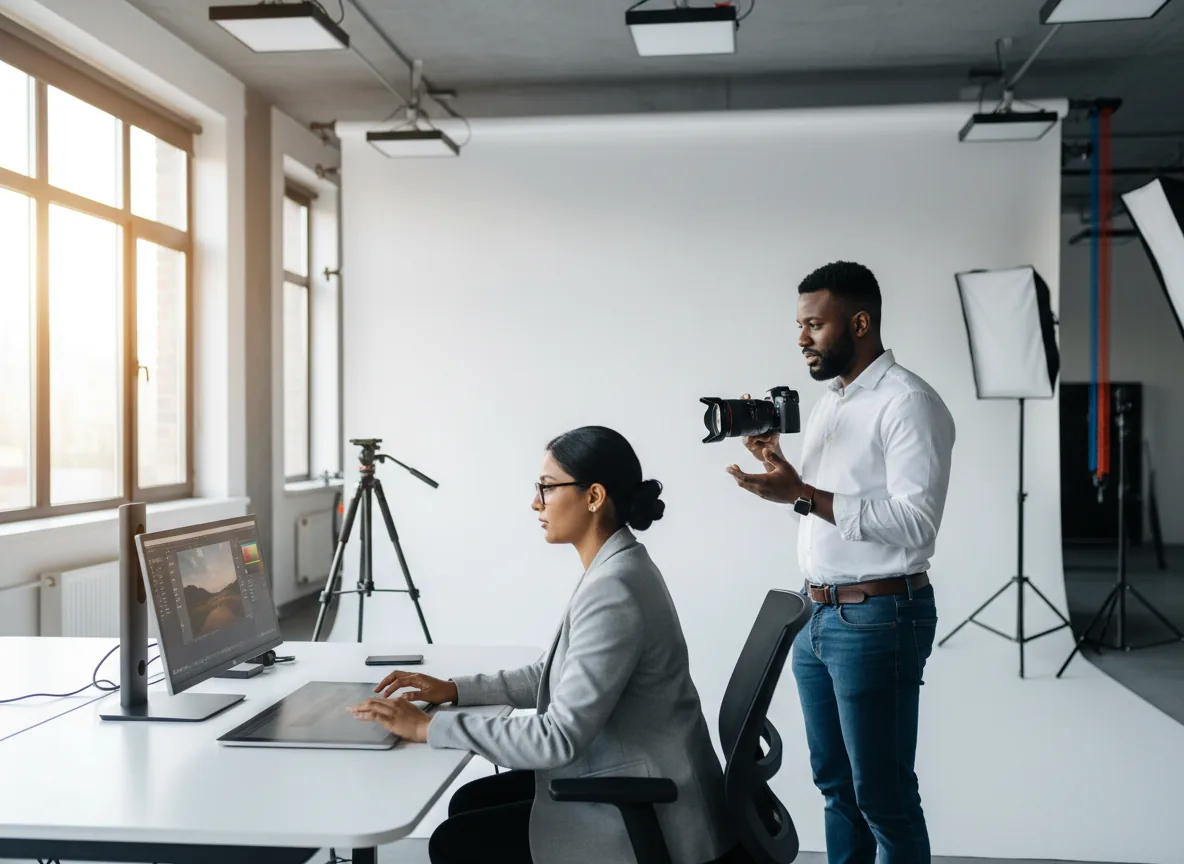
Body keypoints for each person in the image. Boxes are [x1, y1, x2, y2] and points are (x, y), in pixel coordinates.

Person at [349, 426, 741, 864]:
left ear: (594, 497)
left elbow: (557, 738)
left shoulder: (613, 589)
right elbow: (552, 674)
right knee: (468, 804)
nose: (535, 502)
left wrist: (427, 728)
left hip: (649, 808)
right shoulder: (620, 564)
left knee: (454, 841)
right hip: (637, 774)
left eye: (547, 488)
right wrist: (454, 690)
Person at [726, 261, 955, 864]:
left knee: (883, 796)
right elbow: (827, 510)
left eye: (814, 324)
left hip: (880, 617)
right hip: (816, 617)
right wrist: (786, 476)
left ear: (860, 322)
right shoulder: (832, 404)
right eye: (799, 324)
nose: (801, 338)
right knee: (836, 790)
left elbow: (915, 523)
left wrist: (801, 494)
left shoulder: (909, 403)